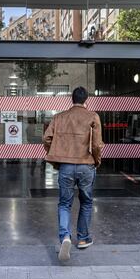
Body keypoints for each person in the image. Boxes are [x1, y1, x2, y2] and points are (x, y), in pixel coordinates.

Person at [43, 86, 104, 261]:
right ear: (86, 100)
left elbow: (46, 138)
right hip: (86, 165)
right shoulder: (93, 116)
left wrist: (57, 154)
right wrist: (96, 160)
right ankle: (83, 238)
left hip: (66, 167)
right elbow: (97, 145)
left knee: (64, 204)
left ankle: (65, 237)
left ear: (72, 99)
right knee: (86, 202)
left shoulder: (59, 117)